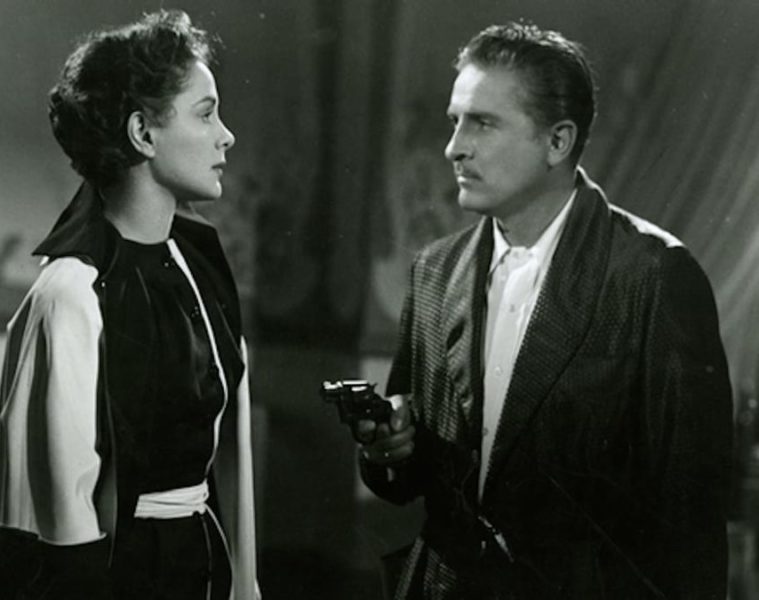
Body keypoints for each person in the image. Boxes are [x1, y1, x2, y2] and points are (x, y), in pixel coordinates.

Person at [355, 22, 733, 599]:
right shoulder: (434, 271)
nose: (454, 147)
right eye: (455, 121)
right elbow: (408, 475)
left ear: (558, 142)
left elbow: (691, 526)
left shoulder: (652, 277)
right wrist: (388, 451)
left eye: (482, 123)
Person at [0, 10, 260, 600]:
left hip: (206, 561)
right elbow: (64, 511)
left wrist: (244, 585)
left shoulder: (199, 265)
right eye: (206, 113)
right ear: (143, 133)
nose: (226, 135)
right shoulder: (71, 291)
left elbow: (230, 457)